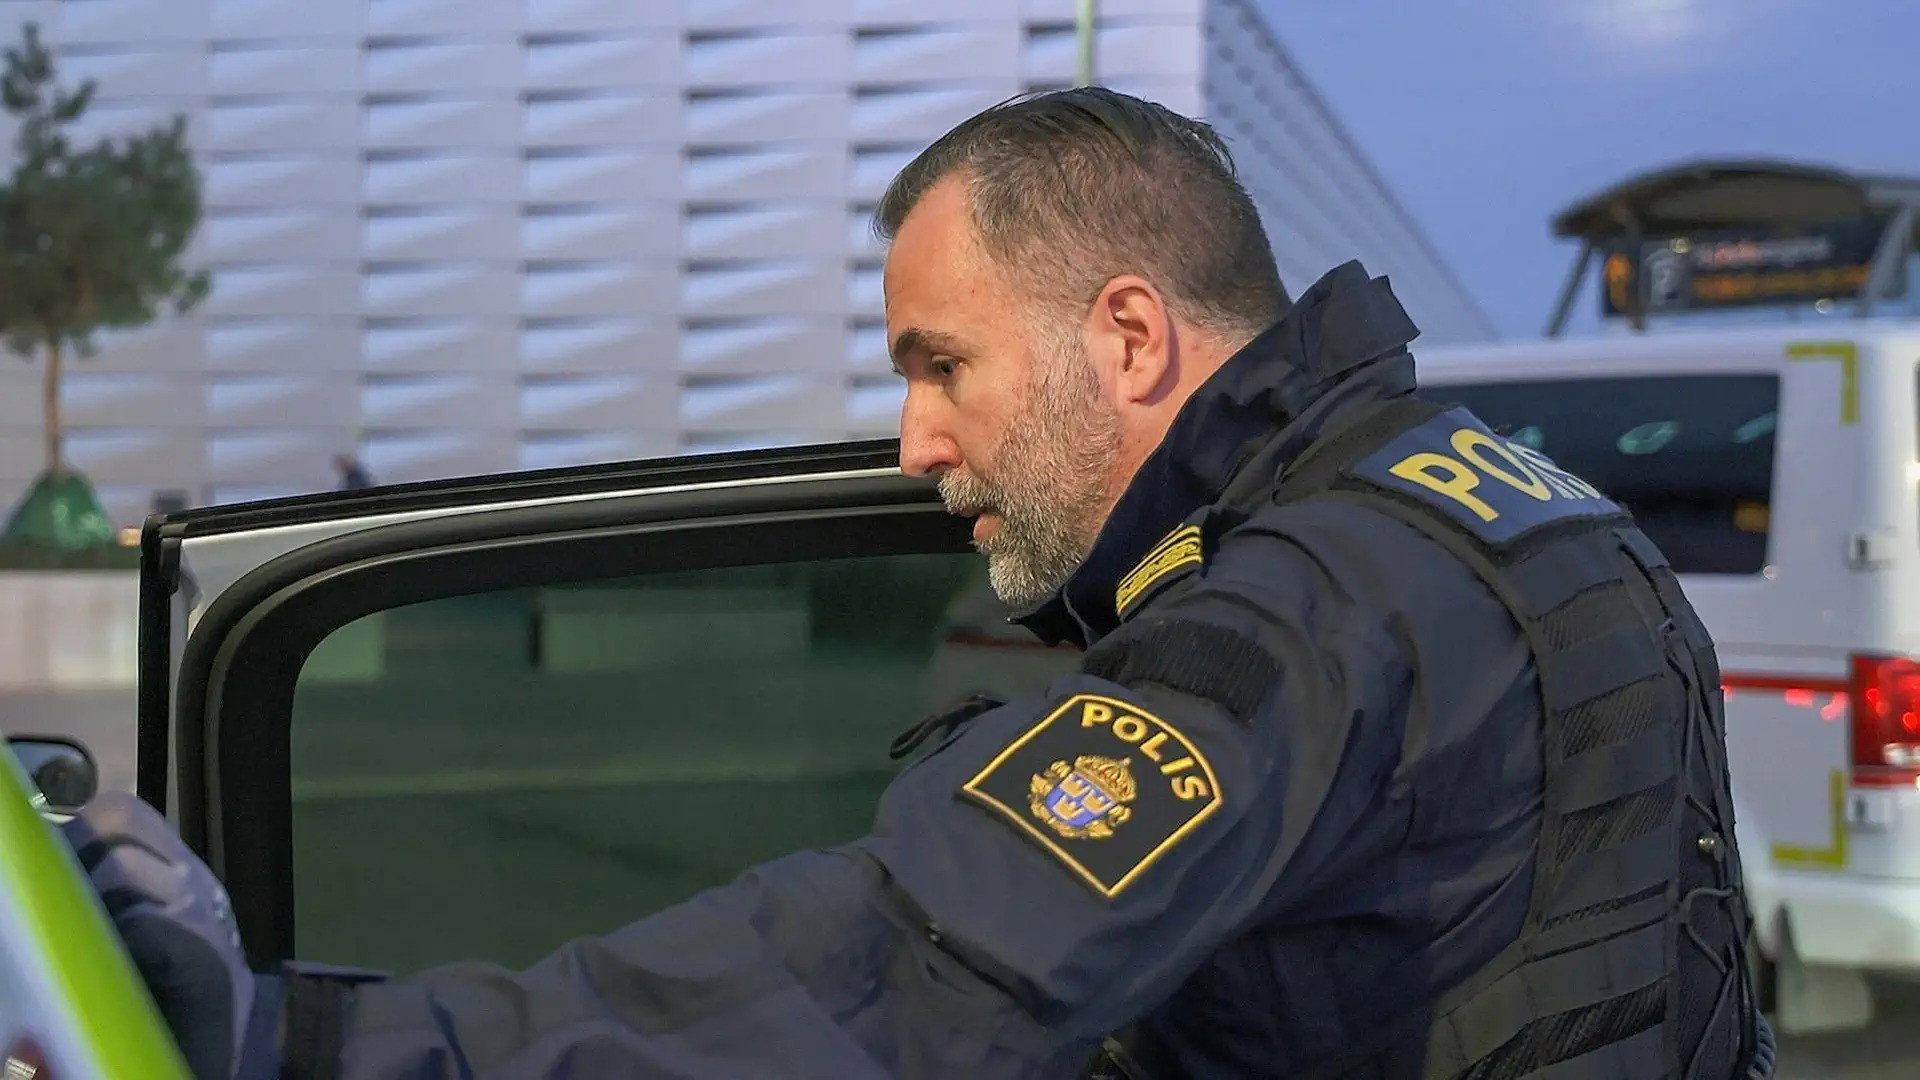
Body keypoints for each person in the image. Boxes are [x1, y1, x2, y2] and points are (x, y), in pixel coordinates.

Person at [62, 89, 1775, 1079]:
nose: (913, 441)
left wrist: (308, 1045)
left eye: (941, 363)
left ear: (1128, 336)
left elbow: (910, 967)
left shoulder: (1308, 606)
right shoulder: (1493, 503)